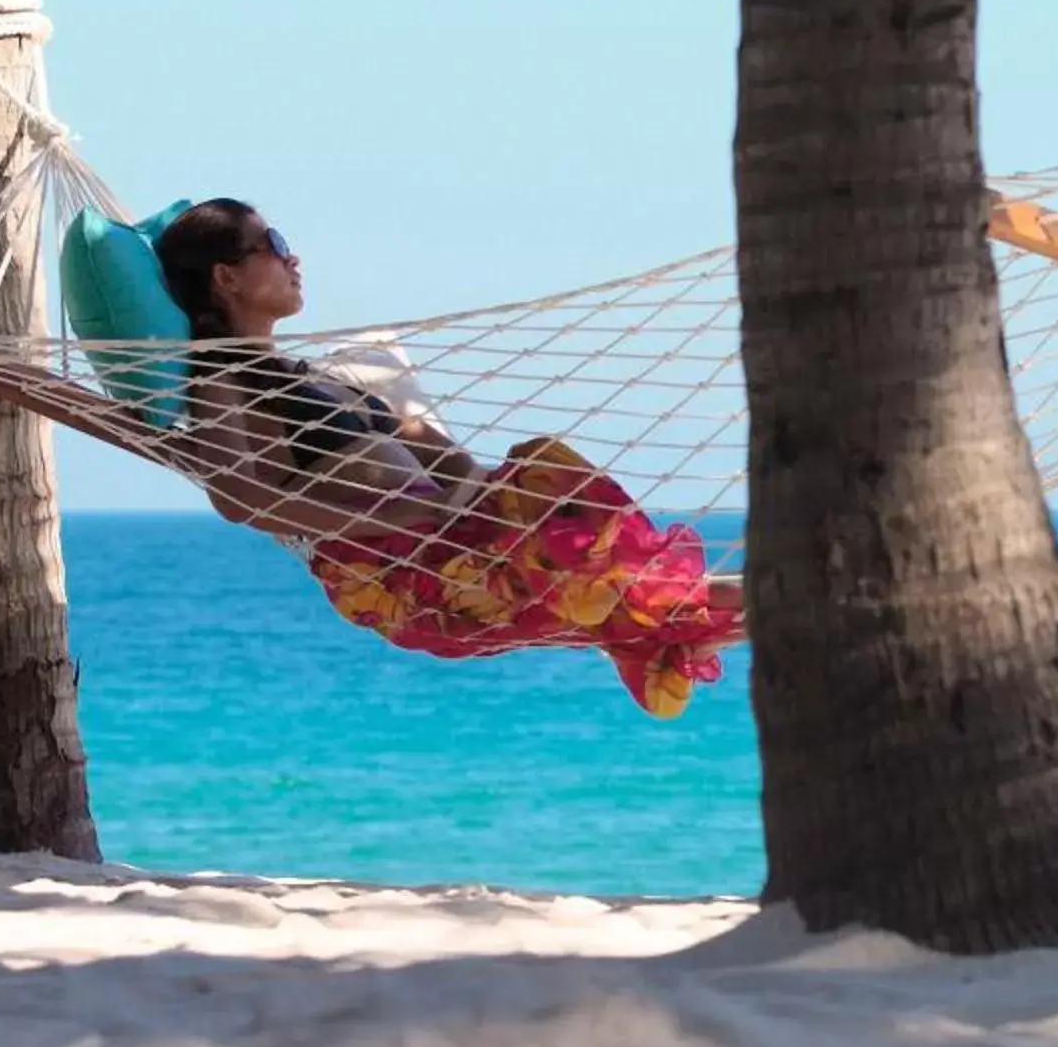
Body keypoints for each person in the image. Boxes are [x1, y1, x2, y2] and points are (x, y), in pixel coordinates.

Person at [152, 199, 737, 716]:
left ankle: (709, 615)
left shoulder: (322, 379)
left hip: (456, 546)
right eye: (273, 245)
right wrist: (388, 520)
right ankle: (699, 611)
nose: (293, 257)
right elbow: (239, 498)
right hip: (409, 579)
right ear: (227, 278)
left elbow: (450, 464)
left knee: (556, 490)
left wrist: (475, 494)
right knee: (626, 577)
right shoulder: (224, 380)